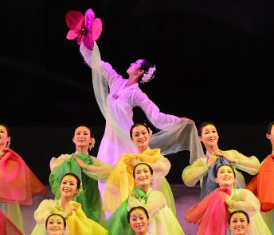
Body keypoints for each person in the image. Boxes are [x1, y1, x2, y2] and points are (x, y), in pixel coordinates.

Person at [78, 39, 199, 169]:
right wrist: (86, 43)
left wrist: (178, 121)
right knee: (106, 175)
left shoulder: (136, 93)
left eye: (135, 63)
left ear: (140, 71)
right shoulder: (115, 80)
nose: (131, 63)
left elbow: (155, 116)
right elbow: (97, 64)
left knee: (126, 172)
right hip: (109, 138)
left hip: (125, 137)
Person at [102, 123, 176, 215]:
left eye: (144, 133)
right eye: (137, 135)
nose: (141, 137)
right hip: (138, 198)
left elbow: (164, 167)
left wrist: (139, 164)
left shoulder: (155, 155)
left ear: (149, 134)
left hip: (156, 194)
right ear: (132, 139)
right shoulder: (130, 159)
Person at [48, 125, 113, 224]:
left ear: (91, 139)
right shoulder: (65, 159)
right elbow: (54, 173)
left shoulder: (94, 162)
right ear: (73, 139)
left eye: (85, 134)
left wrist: (85, 166)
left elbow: (108, 173)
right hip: (69, 201)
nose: (81, 136)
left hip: (91, 201)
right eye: (78, 133)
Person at [181, 122, 259, 200]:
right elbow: (188, 180)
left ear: (218, 136)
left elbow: (256, 167)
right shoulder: (202, 162)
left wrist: (233, 160)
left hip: (236, 201)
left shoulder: (231, 154)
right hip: (213, 204)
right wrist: (207, 166)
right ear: (200, 138)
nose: (211, 135)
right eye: (207, 132)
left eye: (213, 131)